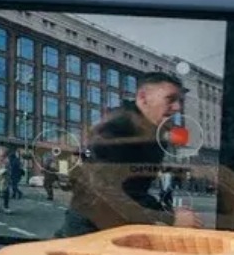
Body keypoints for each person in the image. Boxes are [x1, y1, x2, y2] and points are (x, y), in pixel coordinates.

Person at [55, 72, 202, 238]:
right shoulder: (116, 127)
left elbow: (134, 190)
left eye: (179, 101)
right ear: (143, 98)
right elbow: (102, 191)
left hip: (114, 225)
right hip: (91, 229)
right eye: (170, 99)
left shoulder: (154, 131)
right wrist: (169, 217)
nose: (177, 107)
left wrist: (168, 213)